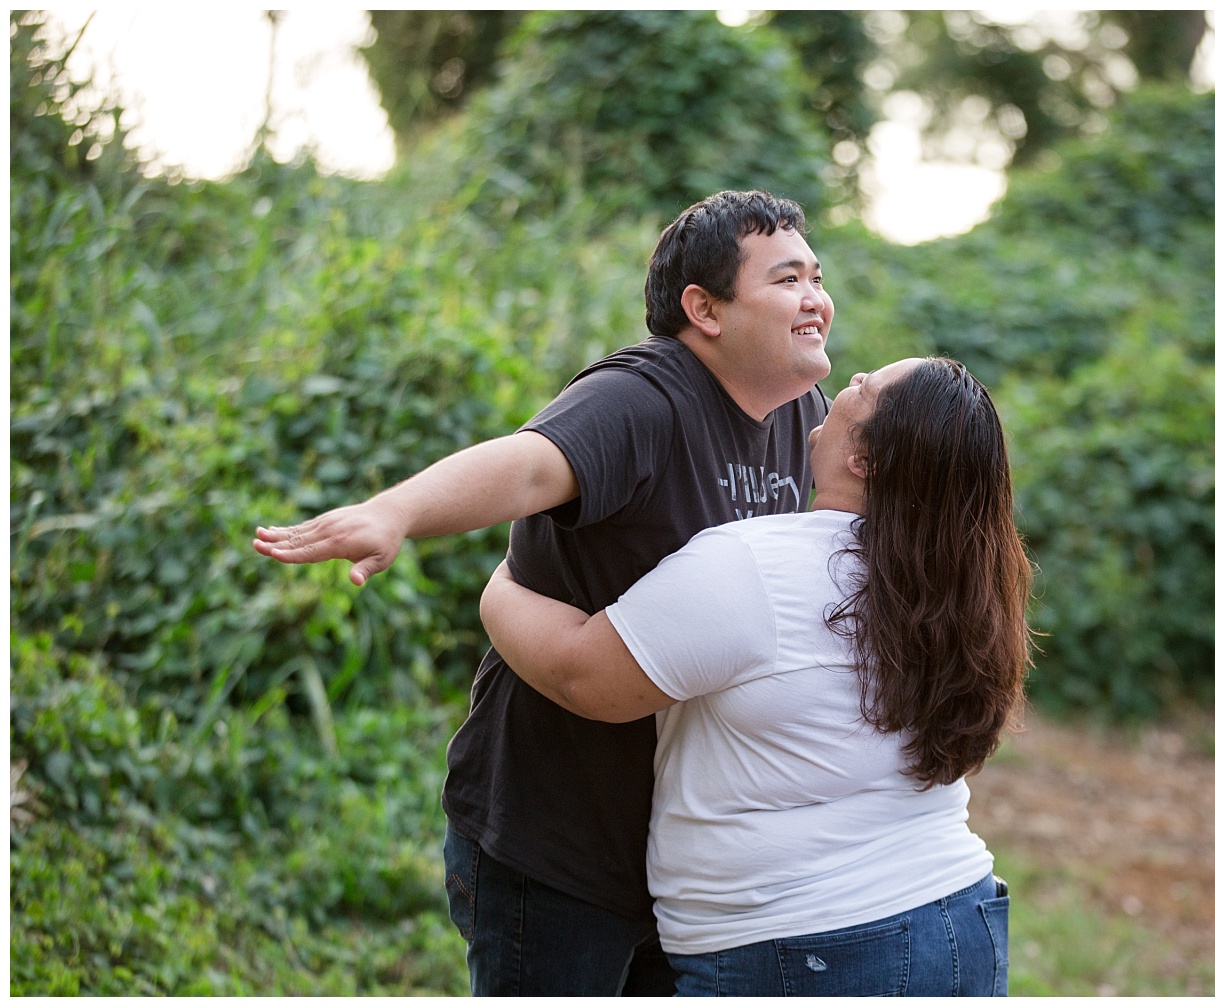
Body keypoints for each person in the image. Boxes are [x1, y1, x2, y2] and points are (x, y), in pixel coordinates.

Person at [253, 190, 834, 995]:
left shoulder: (805, 416)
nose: (816, 298)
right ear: (703, 308)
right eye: (786, 280)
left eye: (815, 275)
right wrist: (395, 512)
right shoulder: (645, 396)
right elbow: (527, 463)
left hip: (685, 851)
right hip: (557, 842)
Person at [480, 356, 1033, 996]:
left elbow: (581, 676)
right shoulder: (954, 589)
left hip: (810, 948)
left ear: (867, 460)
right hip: (959, 923)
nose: (847, 384)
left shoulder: (759, 567)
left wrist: (503, 587)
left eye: (865, 388)